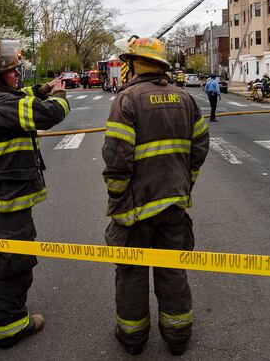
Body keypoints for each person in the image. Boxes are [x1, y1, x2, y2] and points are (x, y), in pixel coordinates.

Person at [102, 36, 209, 356]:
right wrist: (184, 183)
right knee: (172, 269)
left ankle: (133, 339)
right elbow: (200, 147)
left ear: (135, 64)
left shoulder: (127, 100)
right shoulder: (185, 99)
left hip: (135, 208)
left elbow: (117, 155)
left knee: (132, 273)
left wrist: (117, 196)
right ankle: (177, 337)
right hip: (173, 204)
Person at [0, 40, 70, 349]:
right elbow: (49, 115)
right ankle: (10, 324)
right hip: (7, 201)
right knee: (14, 261)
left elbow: (16, 100)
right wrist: (60, 94)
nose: (16, 77)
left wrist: (42, 88)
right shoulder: (0, 106)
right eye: (12, 72)